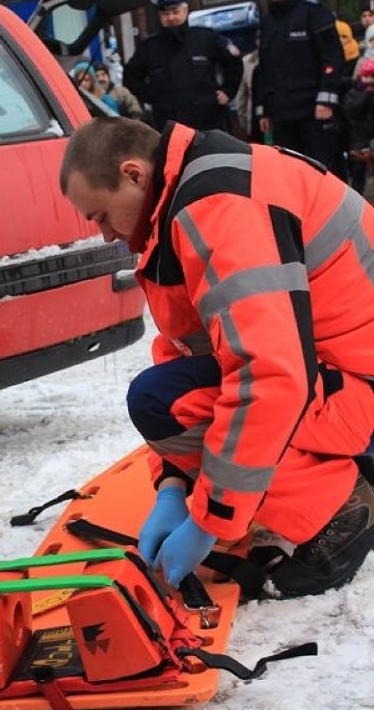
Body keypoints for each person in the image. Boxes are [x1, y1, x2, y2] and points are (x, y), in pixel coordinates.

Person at [59, 116, 374, 599]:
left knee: (163, 399)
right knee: (168, 393)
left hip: (361, 389)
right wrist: (173, 486)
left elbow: (269, 375)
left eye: (99, 215)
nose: (103, 235)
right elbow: (190, 352)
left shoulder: (218, 208)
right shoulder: (195, 191)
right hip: (346, 372)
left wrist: (210, 519)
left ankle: (343, 510)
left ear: (134, 174)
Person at [255, 0, 344, 168]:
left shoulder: (314, 14)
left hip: (313, 111)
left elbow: (332, 58)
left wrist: (326, 100)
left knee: (323, 171)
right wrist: (264, 109)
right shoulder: (268, 23)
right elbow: (264, 70)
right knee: (292, 174)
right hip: (283, 115)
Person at [122, 0, 242, 133]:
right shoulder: (149, 48)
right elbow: (130, 77)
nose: (171, 17)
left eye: (175, 11)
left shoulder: (205, 38)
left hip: (208, 123)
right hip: (169, 125)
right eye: (165, 14)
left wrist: (228, 90)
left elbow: (234, 62)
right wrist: (153, 96)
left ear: (185, 11)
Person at [334, 20, 364, 185]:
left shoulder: (360, 60)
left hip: (358, 116)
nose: (341, 41)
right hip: (337, 116)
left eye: (344, 37)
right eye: (337, 37)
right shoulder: (330, 60)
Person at [343, 57, 374, 197]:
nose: (369, 81)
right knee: (358, 173)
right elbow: (353, 112)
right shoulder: (353, 93)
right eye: (366, 76)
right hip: (359, 139)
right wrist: (366, 95)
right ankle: (358, 198)